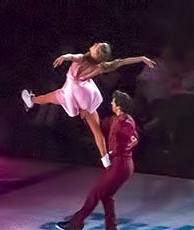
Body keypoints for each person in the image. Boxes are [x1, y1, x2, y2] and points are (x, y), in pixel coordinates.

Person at [21, 42, 153, 167]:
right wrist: (141, 58)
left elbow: (73, 56)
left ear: (97, 54)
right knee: (96, 129)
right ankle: (105, 160)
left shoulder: (83, 58)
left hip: (71, 92)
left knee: (48, 98)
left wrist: (64, 57)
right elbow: (121, 62)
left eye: (97, 46)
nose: (95, 44)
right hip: (85, 95)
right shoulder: (101, 66)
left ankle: (31, 101)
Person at [56, 90, 139, 230]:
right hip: (118, 164)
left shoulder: (126, 122)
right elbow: (100, 124)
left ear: (118, 105)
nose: (111, 104)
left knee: (96, 193)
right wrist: (87, 114)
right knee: (106, 196)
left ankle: (77, 222)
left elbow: (133, 137)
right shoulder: (115, 119)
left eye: (113, 101)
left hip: (121, 165)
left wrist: (127, 144)